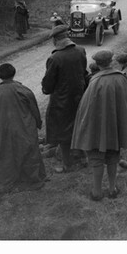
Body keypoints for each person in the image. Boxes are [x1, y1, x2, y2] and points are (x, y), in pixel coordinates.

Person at [71, 49, 127, 201]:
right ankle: (112, 188)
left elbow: (86, 108)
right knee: (113, 156)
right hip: (116, 125)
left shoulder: (95, 82)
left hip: (98, 127)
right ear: (111, 61)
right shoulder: (123, 79)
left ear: (97, 64)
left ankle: (96, 192)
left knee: (96, 158)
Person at [0, 63, 46, 191]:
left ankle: (9, 181)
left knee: (5, 153)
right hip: (23, 126)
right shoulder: (23, 90)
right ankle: (32, 179)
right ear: (14, 73)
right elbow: (34, 108)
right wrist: (38, 122)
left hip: (1, 129)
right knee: (29, 151)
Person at [41, 23, 88, 172]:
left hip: (61, 101)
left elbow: (48, 86)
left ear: (55, 40)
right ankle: (83, 158)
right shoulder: (81, 51)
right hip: (79, 97)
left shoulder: (55, 58)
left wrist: (46, 88)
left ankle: (67, 164)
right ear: (66, 36)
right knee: (78, 126)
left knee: (63, 131)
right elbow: (83, 72)